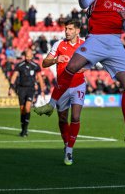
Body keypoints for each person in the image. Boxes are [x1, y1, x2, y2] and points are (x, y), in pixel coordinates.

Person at [34, 0, 125, 145]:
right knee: (72, 67)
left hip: (115, 43)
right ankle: (51, 104)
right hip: (96, 39)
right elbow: (84, 4)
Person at [38, 19, 86, 166]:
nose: (67, 31)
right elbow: (44, 63)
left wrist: (86, 67)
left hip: (78, 85)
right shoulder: (58, 44)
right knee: (62, 119)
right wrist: (56, 60)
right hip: (62, 87)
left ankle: (69, 150)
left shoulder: (84, 45)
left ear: (77, 31)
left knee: (76, 116)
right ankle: (66, 143)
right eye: (66, 29)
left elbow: (93, 61)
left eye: (70, 29)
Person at [8, 49, 46, 137]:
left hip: (30, 89)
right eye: (26, 56)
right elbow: (14, 76)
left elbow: (40, 78)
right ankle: (22, 129)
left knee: (27, 108)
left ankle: (25, 130)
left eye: (29, 56)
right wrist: (11, 87)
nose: (28, 58)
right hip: (21, 89)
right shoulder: (20, 65)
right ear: (24, 56)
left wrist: (42, 90)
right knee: (22, 109)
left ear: (32, 56)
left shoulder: (35, 66)